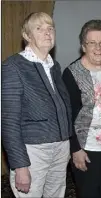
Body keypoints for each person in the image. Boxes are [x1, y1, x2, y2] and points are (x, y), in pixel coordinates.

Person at [1, 12, 72, 197]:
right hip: (33, 151)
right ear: (27, 35)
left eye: (50, 28)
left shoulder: (54, 66)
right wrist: (20, 165)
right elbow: (8, 122)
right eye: (39, 29)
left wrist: (68, 143)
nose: (47, 33)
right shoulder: (13, 66)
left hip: (60, 149)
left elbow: (63, 108)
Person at [61, 20, 101, 198]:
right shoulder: (71, 73)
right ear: (83, 46)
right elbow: (67, 115)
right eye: (92, 43)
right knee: (88, 193)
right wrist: (75, 149)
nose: (98, 47)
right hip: (86, 149)